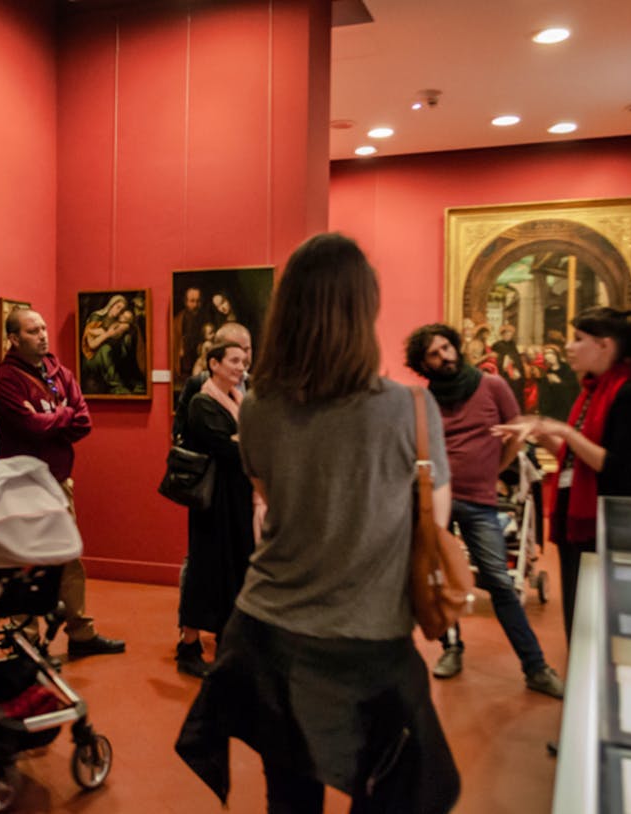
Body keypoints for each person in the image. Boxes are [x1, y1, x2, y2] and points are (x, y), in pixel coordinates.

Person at [177, 233, 459, 813]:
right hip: (370, 640)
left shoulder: (259, 407)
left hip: (268, 635)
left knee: (290, 799)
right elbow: (432, 522)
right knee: (388, 792)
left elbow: (272, 500)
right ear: (366, 309)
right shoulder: (411, 409)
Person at [404, 324, 564, 698]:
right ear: (423, 364)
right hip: (437, 502)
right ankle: (451, 647)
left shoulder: (493, 386)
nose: (444, 356)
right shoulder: (427, 400)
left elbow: (516, 435)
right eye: (434, 353)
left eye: (446, 347)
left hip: (479, 501)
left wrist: (492, 472)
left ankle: (535, 667)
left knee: (499, 581)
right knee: (436, 579)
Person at [493, 307, 631, 642]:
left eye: (578, 339)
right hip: (576, 523)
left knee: (602, 622)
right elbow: (573, 459)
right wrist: (539, 432)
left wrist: (563, 432)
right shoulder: (590, 392)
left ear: (605, 346)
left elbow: (614, 466)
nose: (569, 347)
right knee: (578, 617)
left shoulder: (630, 396)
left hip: (607, 526)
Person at [0, 308, 126, 659]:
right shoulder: (4, 379)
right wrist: (61, 414)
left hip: (58, 481)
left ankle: (81, 632)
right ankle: (26, 641)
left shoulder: (60, 371)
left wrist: (51, 416)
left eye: (44, 328)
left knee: (68, 557)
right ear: (14, 339)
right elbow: (29, 427)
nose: (43, 335)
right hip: (21, 484)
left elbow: (83, 422)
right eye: (33, 331)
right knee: (25, 560)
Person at [175, 341, 255, 678]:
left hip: (236, 500)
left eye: (243, 361)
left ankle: (227, 642)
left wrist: (243, 440)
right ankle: (189, 647)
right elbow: (230, 450)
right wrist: (244, 441)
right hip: (214, 503)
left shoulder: (237, 400)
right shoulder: (202, 403)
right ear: (214, 364)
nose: (241, 367)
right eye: (234, 361)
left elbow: (246, 443)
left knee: (234, 569)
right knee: (205, 572)